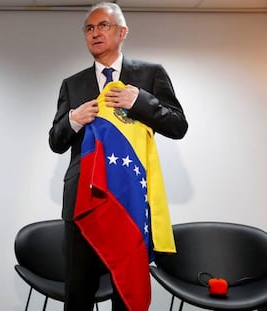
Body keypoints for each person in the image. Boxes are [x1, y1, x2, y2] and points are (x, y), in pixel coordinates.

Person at [49, 2, 188, 311]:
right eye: (89, 28)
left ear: (123, 32)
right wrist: (74, 118)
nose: (95, 32)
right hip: (83, 201)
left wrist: (141, 101)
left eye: (104, 26)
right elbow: (55, 141)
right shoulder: (72, 84)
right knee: (79, 292)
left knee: (126, 290)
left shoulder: (151, 74)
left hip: (129, 199)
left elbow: (178, 126)